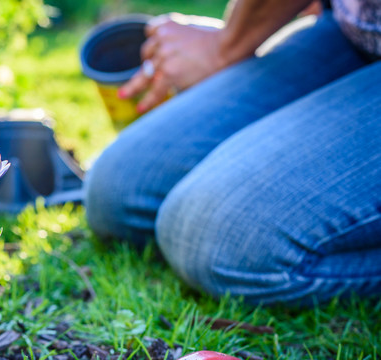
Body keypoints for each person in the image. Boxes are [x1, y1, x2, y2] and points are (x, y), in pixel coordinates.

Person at [84, 0, 381, 305]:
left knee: (220, 241)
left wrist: (226, 46)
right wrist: (226, 45)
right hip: (352, 32)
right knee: (118, 188)